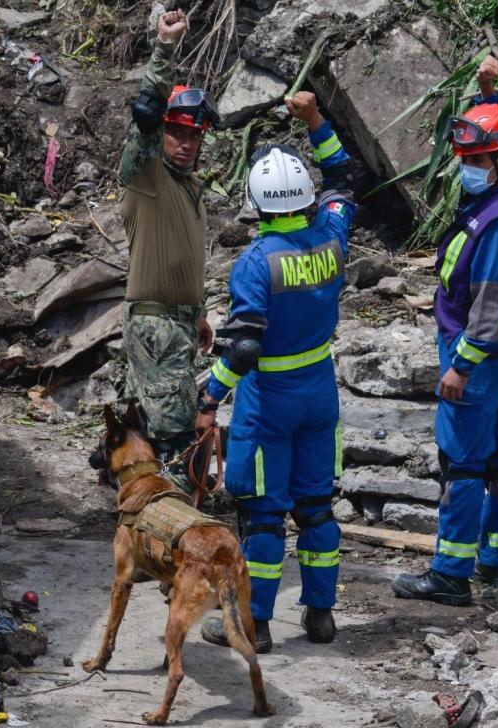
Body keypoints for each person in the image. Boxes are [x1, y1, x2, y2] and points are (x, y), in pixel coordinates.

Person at [194, 92, 356, 652]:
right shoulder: (332, 240)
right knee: (315, 509)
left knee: (263, 516)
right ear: (305, 197)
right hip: (320, 394)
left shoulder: (257, 263)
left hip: (270, 403)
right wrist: (314, 120)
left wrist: (210, 398)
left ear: (258, 205)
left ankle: (254, 625)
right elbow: (342, 176)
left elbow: (242, 352)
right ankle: (321, 617)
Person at [391, 56, 498, 607]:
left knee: (463, 464)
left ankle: (450, 571)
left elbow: (491, 304)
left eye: (477, 159)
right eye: (465, 159)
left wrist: (460, 365)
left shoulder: (497, 222)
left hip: (478, 356)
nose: (467, 168)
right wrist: (488, 93)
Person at [118, 8, 218, 462]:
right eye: (177, 133)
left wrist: (196, 313)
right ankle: (171, 521)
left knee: (147, 430)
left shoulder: (190, 188)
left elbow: (184, 258)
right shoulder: (147, 177)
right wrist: (165, 47)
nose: (185, 142)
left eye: (194, 135)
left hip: (176, 324)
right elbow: (147, 110)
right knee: (174, 437)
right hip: (156, 328)